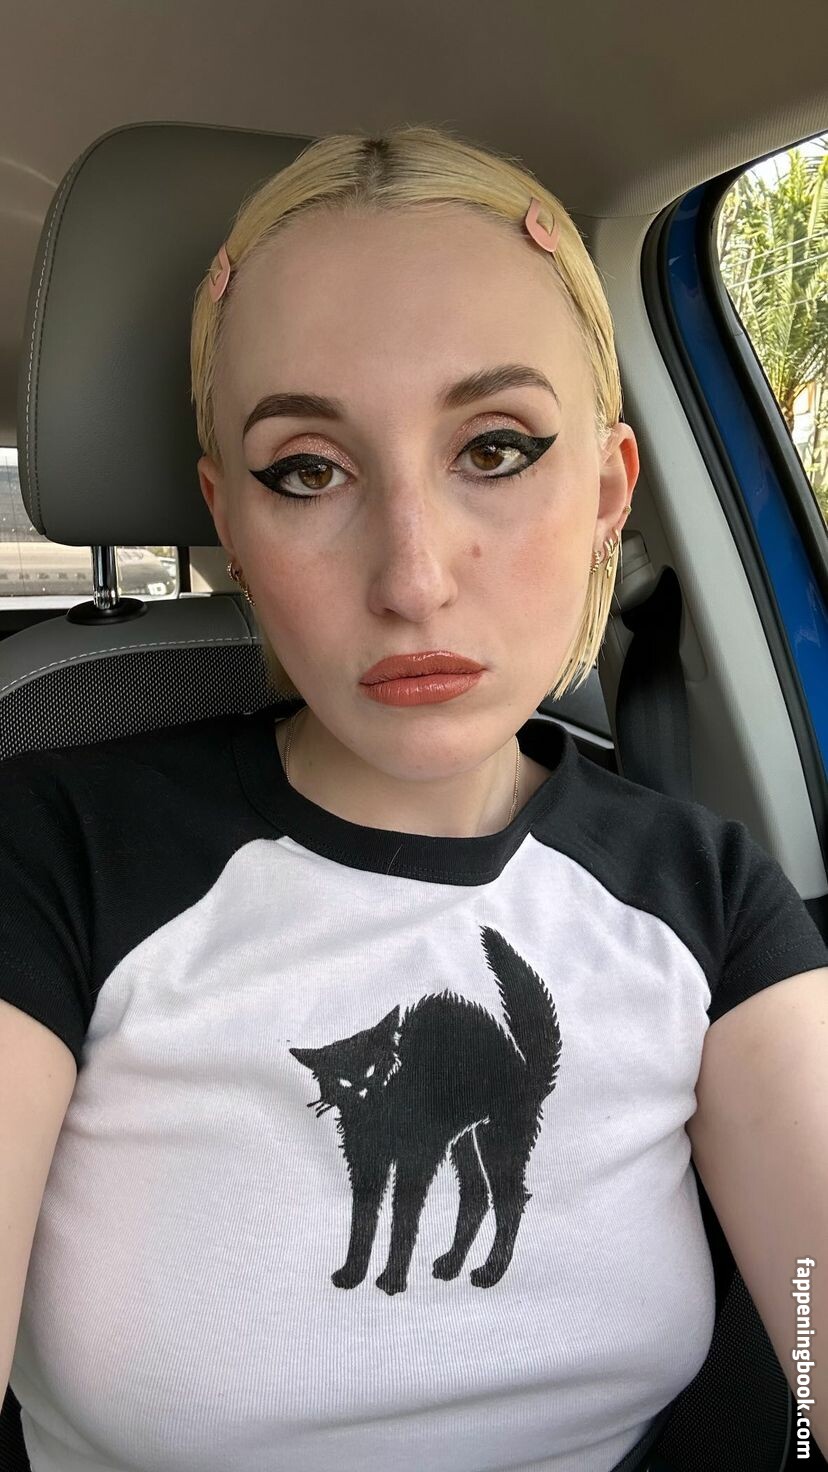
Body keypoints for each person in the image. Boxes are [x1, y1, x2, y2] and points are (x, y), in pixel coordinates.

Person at [2, 125, 827, 1472]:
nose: (413, 579)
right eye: (307, 471)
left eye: (495, 449)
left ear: (608, 493)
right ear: (230, 523)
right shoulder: (47, 855)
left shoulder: (709, 895)